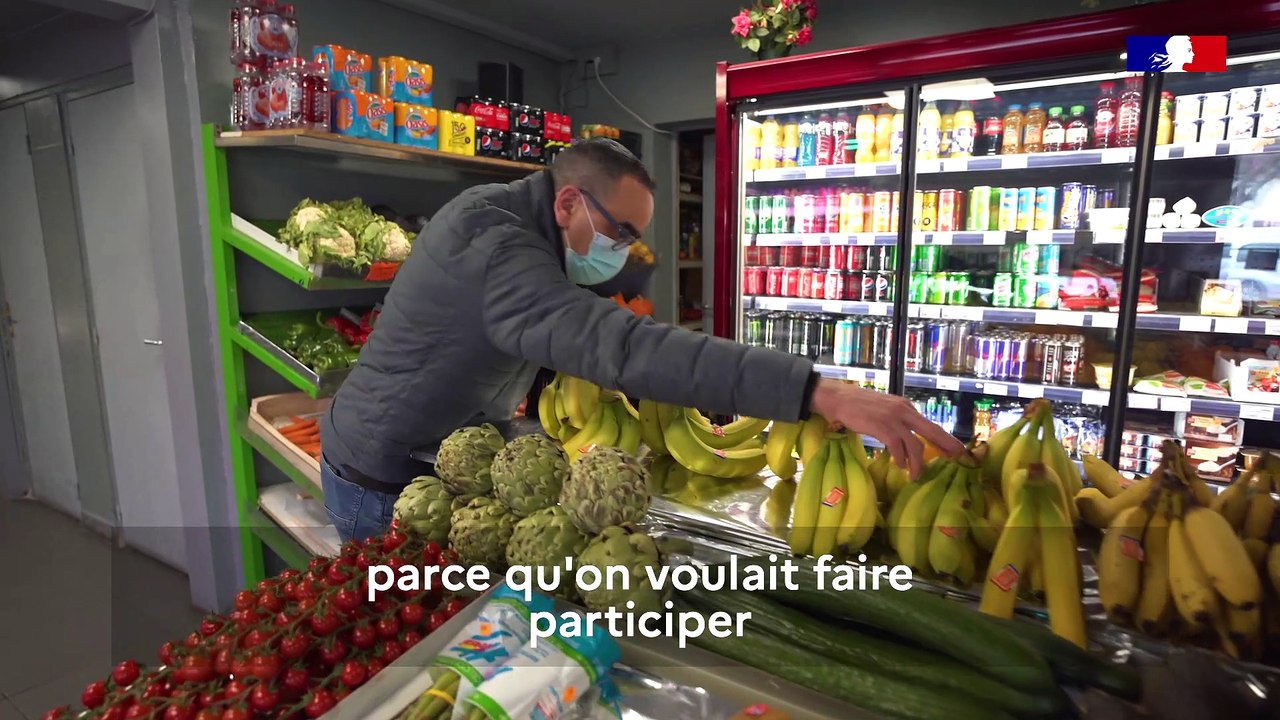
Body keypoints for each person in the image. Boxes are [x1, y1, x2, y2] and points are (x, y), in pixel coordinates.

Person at [319, 138, 964, 542]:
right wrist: (815, 391)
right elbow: (623, 348)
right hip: (384, 481)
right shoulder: (499, 250)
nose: (625, 251)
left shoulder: (514, 216)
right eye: (620, 232)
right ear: (568, 201)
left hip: (438, 451)